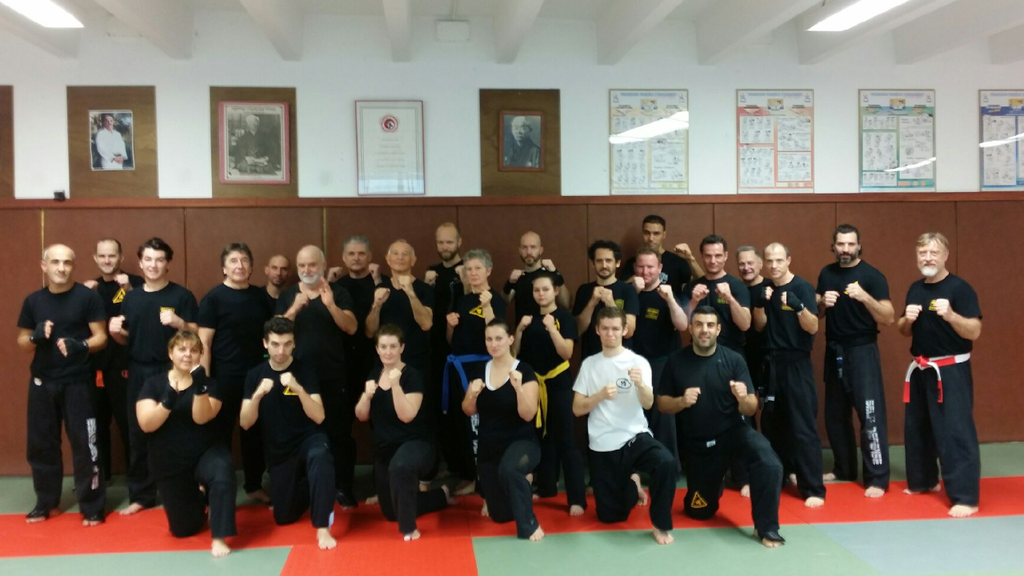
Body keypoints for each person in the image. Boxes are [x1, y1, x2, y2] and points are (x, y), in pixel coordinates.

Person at [657, 306, 785, 548]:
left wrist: (743, 398)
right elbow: (662, 404)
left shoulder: (734, 360)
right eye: (699, 324)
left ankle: (766, 527)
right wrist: (681, 401)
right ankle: (714, 484)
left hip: (733, 434)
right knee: (699, 511)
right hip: (699, 445)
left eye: (709, 325)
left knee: (769, 462)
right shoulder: (676, 361)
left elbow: (750, 408)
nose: (704, 330)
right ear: (691, 329)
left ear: (718, 329)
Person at [17, 244, 107, 526]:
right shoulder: (33, 301)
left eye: (67, 262)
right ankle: (45, 502)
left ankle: (92, 506)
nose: (61, 267)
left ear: (73, 266)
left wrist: (81, 345)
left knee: (86, 445)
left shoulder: (87, 297)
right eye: (55, 262)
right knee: (41, 444)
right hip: (42, 383)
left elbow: (101, 337)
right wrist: (34, 337)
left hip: (78, 382)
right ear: (44, 266)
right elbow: (22, 341)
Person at [572, 307, 677, 545]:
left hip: (634, 436)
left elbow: (648, 403)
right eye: (605, 329)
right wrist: (599, 396)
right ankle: (633, 482)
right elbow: (577, 408)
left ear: (624, 330)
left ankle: (660, 524)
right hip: (603, 444)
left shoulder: (638, 362)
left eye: (615, 329)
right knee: (610, 516)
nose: (610, 333)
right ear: (597, 330)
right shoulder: (589, 365)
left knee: (666, 463)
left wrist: (640, 384)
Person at [109, 237, 198, 515]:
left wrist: (179, 323)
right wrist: (115, 333)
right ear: (140, 263)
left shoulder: (181, 296)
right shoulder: (131, 298)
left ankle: (184, 489)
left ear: (168, 263)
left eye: (159, 259)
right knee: (138, 433)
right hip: (138, 371)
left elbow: (196, 335)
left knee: (179, 431)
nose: (153, 265)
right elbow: (127, 339)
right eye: (148, 259)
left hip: (173, 370)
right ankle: (142, 495)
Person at [897, 232, 982, 518]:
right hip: (921, 368)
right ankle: (924, 481)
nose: (928, 258)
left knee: (955, 432)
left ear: (945, 255)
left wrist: (952, 316)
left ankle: (966, 497)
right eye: (923, 253)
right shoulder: (915, 289)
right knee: (918, 427)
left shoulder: (960, 289)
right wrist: (906, 319)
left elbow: (975, 331)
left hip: (951, 370)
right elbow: (904, 330)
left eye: (934, 253)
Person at [136, 331, 236, 557]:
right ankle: (198, 498)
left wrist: (199, 388)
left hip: (205, 452)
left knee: (222, 471)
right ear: (170, 353)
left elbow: (201, 417)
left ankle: (219, 537)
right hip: (170, 460)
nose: (188, 354)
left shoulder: (210, 385)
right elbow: (146, 424)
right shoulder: (153, 384)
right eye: (182, 349)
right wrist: (168, 399)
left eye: (194, 350)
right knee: (183, 530)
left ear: (201, 355)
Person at [241, 317, 337, 549]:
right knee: (283, 517)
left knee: (320, 456)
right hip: (279, 448)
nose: (281, 351)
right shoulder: (255, 375)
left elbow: (319, 416)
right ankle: (313, 488)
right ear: (265, 343)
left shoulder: (305, 370)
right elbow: (245, 423)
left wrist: (298, 389)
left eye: (287, 344)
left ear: (294, 344)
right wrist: (257, 396)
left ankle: (323, 528)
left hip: (309, 439)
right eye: (275, 344)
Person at [355, 324, 455, 540]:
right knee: (391, 512)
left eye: (393, 346)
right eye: (383, 347)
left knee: (401, 466)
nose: (388, 351)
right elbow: (362, 416)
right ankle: (440, 496)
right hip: (385, 449)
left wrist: (396, 386)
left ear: (401, 348)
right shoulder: (373, 376)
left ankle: (409, 528)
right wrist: (366, 396)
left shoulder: (413, 376)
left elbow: (407, 415)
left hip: (416, 445)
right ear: (377, 349)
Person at [277, 245, 359, 507]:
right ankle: (304, 489)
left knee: (339, 433)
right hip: (298, 378)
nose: (306, 270)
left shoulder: (339, 293)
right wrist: (294, 309)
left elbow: (351, 327)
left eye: (312, 265)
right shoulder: (288, 295)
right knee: (300, 433)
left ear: (323, 265)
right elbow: (275, 332)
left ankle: (343, 487)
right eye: (302, 265)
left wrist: (331, 305)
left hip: (333, 375)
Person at [816, 224, 894, 498]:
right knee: (835, 415)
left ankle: (877, 478)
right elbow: (817, 315)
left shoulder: (872, 276)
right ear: (833, 246)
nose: (846, 249)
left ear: (859, 245)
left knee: (870, 415)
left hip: (862, 352)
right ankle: (844, 468)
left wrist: (864, 297)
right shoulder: (826, 273)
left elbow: (888, 316)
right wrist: (821, 303)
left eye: (851, 244)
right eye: (841, 244)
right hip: (834, 350)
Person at [198, 243, 275, 503]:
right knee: (219, 434)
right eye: (233, 261)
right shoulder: (213, 299)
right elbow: (205, 342)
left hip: (256, 376)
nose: (239, 266)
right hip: (224, 377)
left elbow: (271, 333)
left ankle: (253, 485)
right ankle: (216, 490)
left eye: (244, 261)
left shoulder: (260, 296)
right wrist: (205, 381)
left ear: (251, 267)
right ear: (224, 267)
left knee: (254, 433)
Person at [752, 242, 825, 507]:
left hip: (796, 363)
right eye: (769, 261)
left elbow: (813, 326)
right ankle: (779, 477)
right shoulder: (765, 289)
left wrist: (799, 307)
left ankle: (813, 489)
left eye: (779, 260)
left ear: (788, 260)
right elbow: (759, 326)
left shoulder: (802, 287)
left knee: (802, 426)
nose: (774, 266)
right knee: (773, 425)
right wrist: (759, 305)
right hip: (772, 364)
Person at [681, 235, 753, 494]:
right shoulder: (693, 286)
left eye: (717, 256)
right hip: (699, 359)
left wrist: (730, 298)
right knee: (703, 415)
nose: (712, 261)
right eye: (708, 256)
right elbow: (682, 323)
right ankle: (710, 474)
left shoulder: (737, 286)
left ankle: (743, 477)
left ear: (725, 256)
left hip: (731, 358)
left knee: (739, 416)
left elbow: (745, 323)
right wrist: (693, 301)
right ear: (702, 257)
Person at [463, 320, 544, 541]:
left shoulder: (524, 370)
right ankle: (522, 483)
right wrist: (472, 395)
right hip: (490, 447)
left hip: (522, 443)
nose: (494, 344)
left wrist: (518, 389)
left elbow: (528, 414)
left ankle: (529, 524)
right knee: (500, 516)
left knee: (510, 469)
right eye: (489, 339)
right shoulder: (479, 371)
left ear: (510, 339)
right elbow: (468, 410)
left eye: (499, 338)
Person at [512, 273, 585, 515]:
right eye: (537, 290)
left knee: (566, 439)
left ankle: (576, 499)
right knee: (541, 437)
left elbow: (567, 353)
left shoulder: (565, 318)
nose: (541, 294)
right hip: (534, 383)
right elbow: (514, 354)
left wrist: (553, 329)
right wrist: (519, 330)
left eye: (545, 289)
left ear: (555, 291)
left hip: (559, 382)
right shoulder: (527, 318)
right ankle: (546, 487)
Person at [443, 249, 506, 494]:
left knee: (480, 424)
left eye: (478, 268)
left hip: (483, 367)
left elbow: (496, 335)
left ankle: (484, 480)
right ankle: (471, 474)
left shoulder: (495, 299)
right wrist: (450, 327)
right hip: (460, 367)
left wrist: (487, 305)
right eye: (468, 269)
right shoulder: (462, 300)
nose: (473, 273)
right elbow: (452, 340)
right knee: (463, 424)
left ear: (488, 270)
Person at [83, 238, 143, 482]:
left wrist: (130, 291)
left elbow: (145, 314)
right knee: (95, 427)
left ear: (121, 257)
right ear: (95, 258)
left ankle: (137, 480)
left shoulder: (135, 284)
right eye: (102, 256)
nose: (107, 260)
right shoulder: (90, 289)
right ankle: (100, 478)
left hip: (124, 368)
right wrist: (84, 297)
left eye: (112, 255)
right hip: (95, 369)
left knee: (130, 426)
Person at [630, 248, 689, 466]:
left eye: (650, 267)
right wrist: (632, 293)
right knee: (634, 416)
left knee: (663, 418)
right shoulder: (628, 292)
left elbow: (683, 325)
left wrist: (670, 299)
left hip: (662, 363)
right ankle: (637, 468)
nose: (645, 271)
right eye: (641, 266)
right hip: (633, 364)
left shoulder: (667, 293)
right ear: (635, 268)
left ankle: (669, 467)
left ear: (660, 268)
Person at [366, 240, 434, 372]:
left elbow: (426, 324)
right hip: (385, 363)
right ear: (388, 259)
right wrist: (376, 306)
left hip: (416, 363)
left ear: (413, 260)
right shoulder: (380, 289)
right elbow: (370, 332)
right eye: (395, 253)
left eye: (405, 254)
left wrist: (411, 293)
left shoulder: (424, 289)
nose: (400, 257)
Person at [425, 223, 465, 429]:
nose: (445, 246)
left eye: (449, 242)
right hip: (436, 347)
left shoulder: (469, 269)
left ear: (459, 242)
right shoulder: (432, 272)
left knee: (460, 403)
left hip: (462, 346)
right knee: (438, 403)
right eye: (441, 242)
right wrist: (426, 285)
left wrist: (465, 278)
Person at [573, 240, 638, 360]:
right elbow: (577, 331)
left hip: (621, 361)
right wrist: (592, 303)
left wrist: (611, 303)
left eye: (608, 260)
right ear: (593, 263)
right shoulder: (584, 290)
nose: (604, 265)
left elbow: (629, 331)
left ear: (617, 263)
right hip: (591, 359)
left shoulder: (628, 290)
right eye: (599, 261)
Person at [619, 214, 703, 294]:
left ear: (664, 235)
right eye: (647, 233)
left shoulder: (677, 261)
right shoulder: (633, 262)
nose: (651, 238)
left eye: (656, 234)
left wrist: (690, 259)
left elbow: (704, 282)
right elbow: (620, 291)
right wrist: (633, 281)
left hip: (671, 303)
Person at [503, 231, 569, 323]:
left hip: (547, 329)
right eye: (524, 247)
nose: (528, 252)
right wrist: (509, 283)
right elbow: (503, 302)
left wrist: (555, 273)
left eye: (533, 247)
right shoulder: (518, 277)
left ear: (541, 250)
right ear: (520, 251)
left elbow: (566, 304)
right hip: (523, 330)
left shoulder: (550, 275)